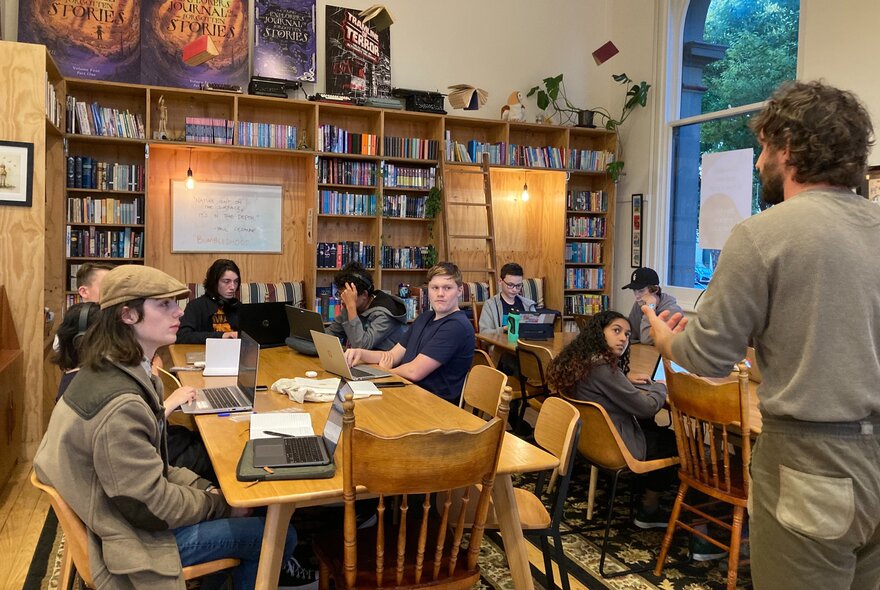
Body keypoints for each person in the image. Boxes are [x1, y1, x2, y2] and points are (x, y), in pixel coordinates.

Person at [643, 80, 880, 588]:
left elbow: (707, 357)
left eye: (764, 149)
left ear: (788, 149)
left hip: (811, 461)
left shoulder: (763, 235)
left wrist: (665, 339)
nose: (757, 163)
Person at [33, 265, 300, 588]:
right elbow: (149, 506)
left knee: (239, 502)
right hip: (129, 541)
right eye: (164, 305)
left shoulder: (112, 370)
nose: (178, 312)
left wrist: (209, 492)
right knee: (277, 534)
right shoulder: (120, 402)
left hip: (117, 516)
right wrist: (220, 505)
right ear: (128, 315)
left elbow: (155, 467)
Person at [51, 300, 217, 483]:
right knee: (217, 454)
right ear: (84, 341)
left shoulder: (89, 377)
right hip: (156, 460)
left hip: (158, 453)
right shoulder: (98, 390)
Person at [546, 311, 676, 528]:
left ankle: (640, 488)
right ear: (599, 333)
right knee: (672, 442)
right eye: (616, 331)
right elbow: (646, 407)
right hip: (616, 448)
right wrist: (660, 386)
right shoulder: (603, 369)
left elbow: (604, 385)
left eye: (627, 334)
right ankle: (649, 509)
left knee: (649, 426)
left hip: (587, 442)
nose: (624, 338)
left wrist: (623, 379)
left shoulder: (581, 360)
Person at [344, 262, 474, 404]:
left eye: (447, 288)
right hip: (408, 393)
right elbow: (391, 356)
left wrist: (386, 372)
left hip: (434, 405)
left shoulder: (457, 326)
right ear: (428, 289)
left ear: (460, 290)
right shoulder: (425, 317)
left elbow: (414, 372)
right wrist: (360, 353)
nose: (440, 293)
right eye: (435, 288)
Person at [327, 261, 407, 350]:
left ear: (364, 294)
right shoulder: (352, 306)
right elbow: (331, 332)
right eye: (341, 294)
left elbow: (361, 346)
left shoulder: (384, 315)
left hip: (384, 363)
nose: (343, 300)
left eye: (349, 296)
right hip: (362, 361)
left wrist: (351, 308)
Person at [177, 258, 241, 343]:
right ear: (214, 283)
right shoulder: (196, 306)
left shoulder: (237, 306)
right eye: (226, 281)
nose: (232, 287)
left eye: (236, 281)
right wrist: (222, 336)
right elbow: (182, 336)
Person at [621, 267, 681, 345]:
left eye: (641, 291)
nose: (637, 296)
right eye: (634, 291)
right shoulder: (639, 304)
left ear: (655, 290)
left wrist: (650, 308)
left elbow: (646, 339)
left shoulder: (672, 311)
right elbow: (631, 334)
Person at [478, 262, 537, 333]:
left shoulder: (528, 304)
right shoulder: (490, 305)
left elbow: (535, 329)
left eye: (518, 286)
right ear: (500, 281)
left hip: (524, 343)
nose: (514, 289)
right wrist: (503, 329)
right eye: (510, 285)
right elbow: (484, 333)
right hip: (500, 343)